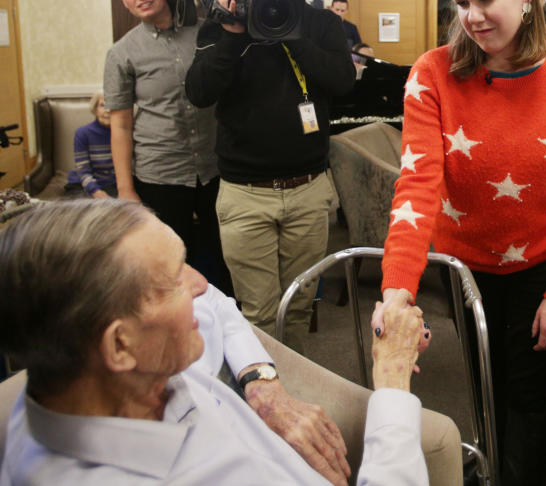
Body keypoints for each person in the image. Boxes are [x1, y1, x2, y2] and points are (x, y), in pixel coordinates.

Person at [372, 0, 546, 486]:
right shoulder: (432, 72)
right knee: (484, 381)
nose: (472, 16)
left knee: (527, 392)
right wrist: (396, 291)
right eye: (460, 2)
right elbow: (417, 185)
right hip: (465, 266)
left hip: (540, 266)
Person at [0, 199, 430, 486]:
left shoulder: (124, 368)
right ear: (119, 347)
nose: (202, 283)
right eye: (175, 278)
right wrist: (391, 382)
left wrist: (264, 387)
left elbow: (219, 305)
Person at [185, 0, 355, 353]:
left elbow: (343, 81)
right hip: (245, 195)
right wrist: (234, 31)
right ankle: (262, 396)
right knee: (258, 311)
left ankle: (292, 391)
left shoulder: (323, 24)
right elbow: (200, 92)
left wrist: (292, 34)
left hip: (309, 190)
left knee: (299, 307)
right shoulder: (225, 24)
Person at [103, 0, 228, 293]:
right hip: (160, 173)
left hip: (216, 167)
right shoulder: (121, 53)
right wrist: (126, 190)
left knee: (224, 263)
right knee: (168, 269)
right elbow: (121, 126)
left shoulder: (207, 33)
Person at [65, 92, 116, 198]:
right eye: (103, 105)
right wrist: (95, 191)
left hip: (111, 184)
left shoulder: (125, 133)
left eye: (113, 105)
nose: (108, 110)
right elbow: (83, 169)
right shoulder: (82, 133)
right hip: (83, 183)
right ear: (95, 109)